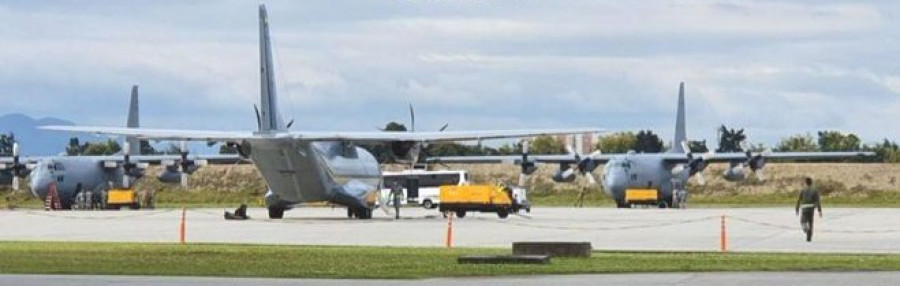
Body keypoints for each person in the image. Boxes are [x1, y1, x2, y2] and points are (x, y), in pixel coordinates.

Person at [795, 177, 823, 242]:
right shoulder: (815, 191)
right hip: (811, 208)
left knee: (803, 221)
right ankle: (809, 238)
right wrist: (819, 211)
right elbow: (818, 201)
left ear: (806, 183)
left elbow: (798, 200)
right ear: (811, 182)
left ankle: (807, 230)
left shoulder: (803, 190)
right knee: (810, 222)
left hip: (804, 208)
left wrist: (797, 209)